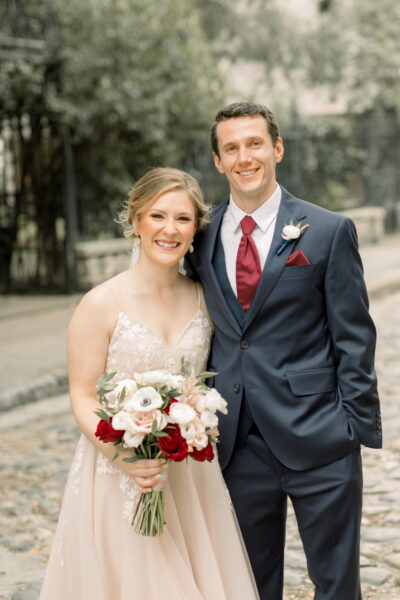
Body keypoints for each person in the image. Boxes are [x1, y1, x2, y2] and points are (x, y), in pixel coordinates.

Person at [184, 102, 382, 600]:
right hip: (237, 442)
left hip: (321, 437)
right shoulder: (200, 239)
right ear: (217, 160)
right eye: (231, 148)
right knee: (248, 585)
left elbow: (355, 338)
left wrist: (351, 428)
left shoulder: (329, 230)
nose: (244, 156)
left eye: (254, 144)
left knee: (336, 586)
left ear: (276, 148)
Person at [40, 167, 259, 600]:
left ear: (195, 229)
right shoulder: (101, 303)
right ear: (136, 219)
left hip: (190, 475)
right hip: (117, 472)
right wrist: (125, 457)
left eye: (183, 219)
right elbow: (82, 395)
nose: (169, 229)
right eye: (158, 216)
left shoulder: (206, 300)